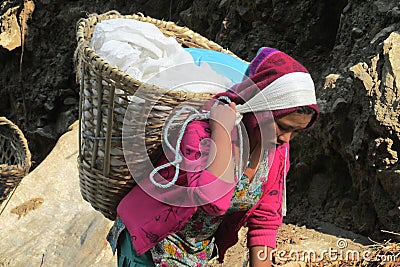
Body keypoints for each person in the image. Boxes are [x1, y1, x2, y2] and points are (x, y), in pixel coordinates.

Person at [107, 47, 319, 267]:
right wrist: (222, 131)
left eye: (296, 132)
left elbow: (266, 218)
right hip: (151, 242)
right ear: (261, 107)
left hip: (195, 250)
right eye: (283, 126)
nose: (287, 138)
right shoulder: (201, 132)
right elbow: (213, 201)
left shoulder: (277, 151)